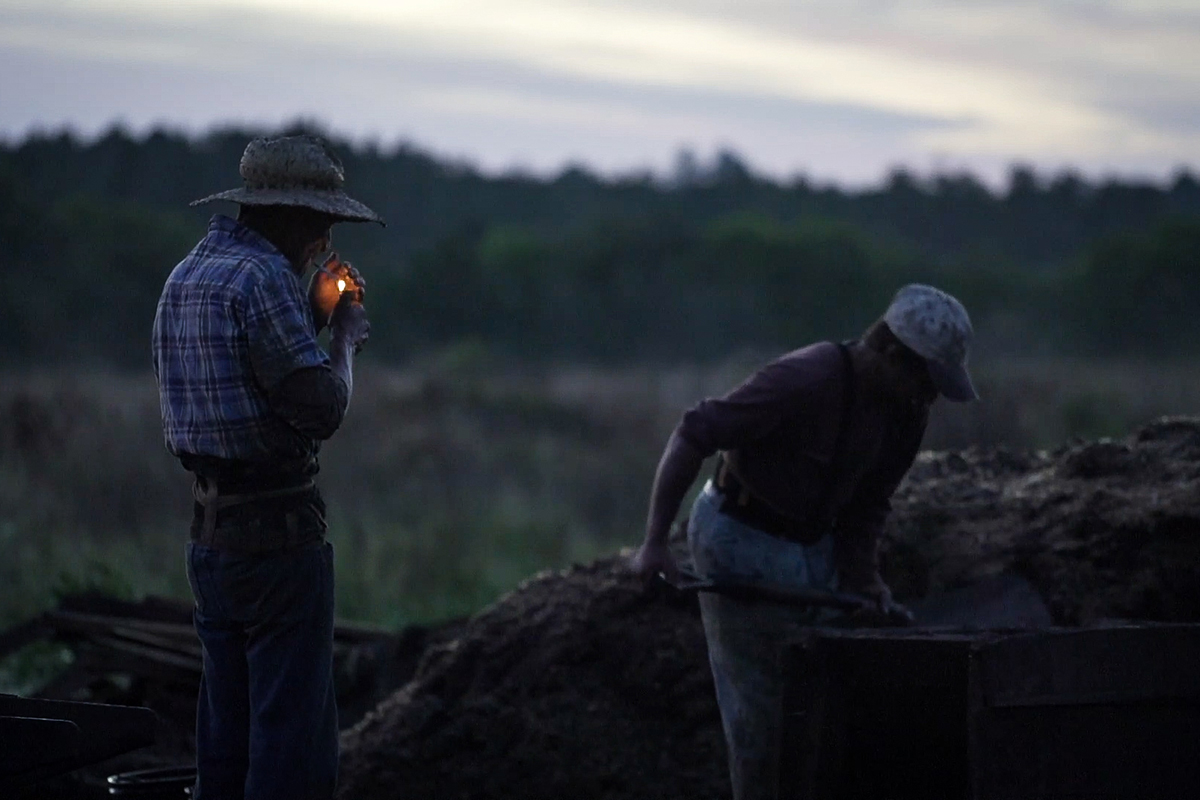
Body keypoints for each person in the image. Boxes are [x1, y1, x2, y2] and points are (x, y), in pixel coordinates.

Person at [631, 284, 978, 800]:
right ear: (887, 353)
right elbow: (694, 432)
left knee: (826, 700)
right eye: (924, 381)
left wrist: (864, 577)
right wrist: (655, 542)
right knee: (762, 715)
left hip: (811, 544)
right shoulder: (807, 378)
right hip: (738, 535)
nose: (928, 397)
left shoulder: (907, 415)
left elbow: (869, 503)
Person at [151, 134, 382, 800]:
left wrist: (308, 314)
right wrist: (342, 339)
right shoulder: (265, 279)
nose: (326, 238)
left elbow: (254, 375)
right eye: (323, 223)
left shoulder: (188, 274)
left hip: (211, 538)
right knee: (291, 746)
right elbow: (320, 409)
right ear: (299, 219)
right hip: (278, 545)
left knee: (225, 740)